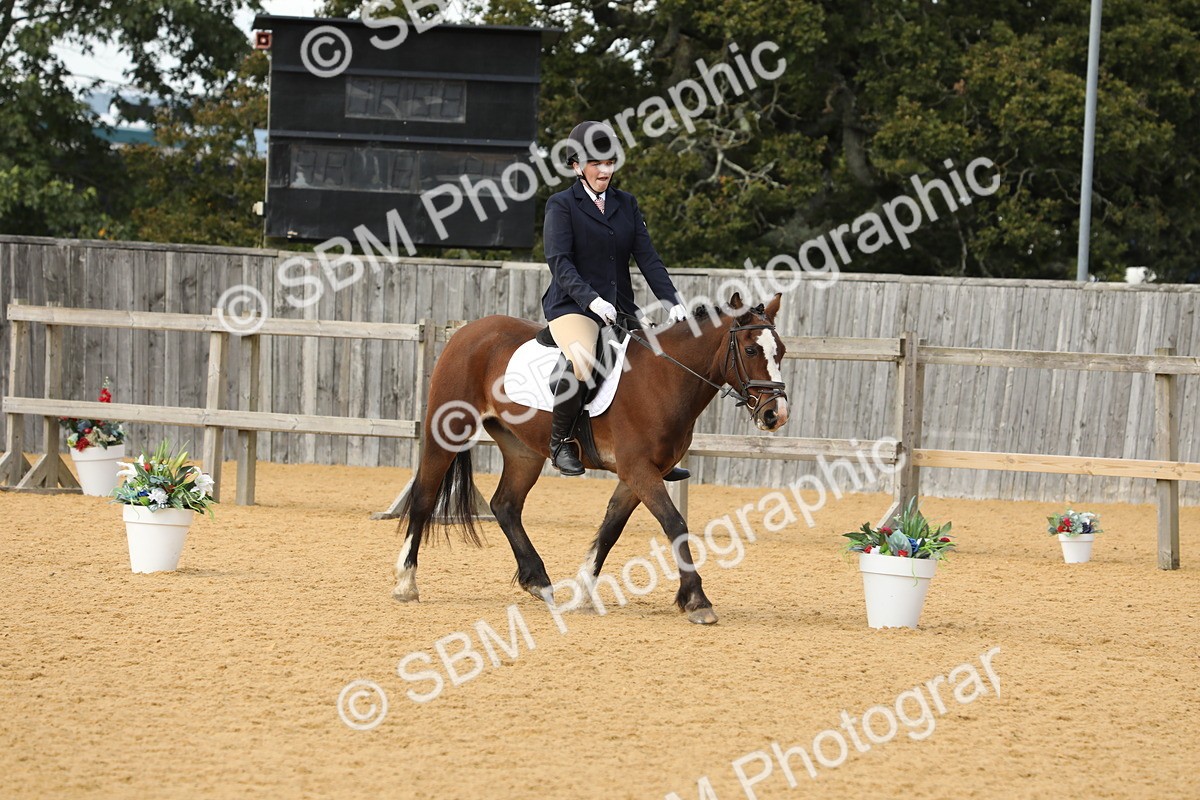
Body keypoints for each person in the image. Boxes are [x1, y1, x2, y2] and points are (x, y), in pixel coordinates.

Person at [541, 120, 688, 476]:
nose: (605, 170)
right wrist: (592, 301)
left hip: (622, 306)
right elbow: (559, 263)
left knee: (657, 361)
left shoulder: (626, 204)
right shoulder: (562, 205)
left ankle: (652, 450)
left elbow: (648, 259)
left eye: (609, 163)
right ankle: (560, 442)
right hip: (573, 307)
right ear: (577, 166)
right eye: (596, 163)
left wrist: (673, 301)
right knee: (583, 360)